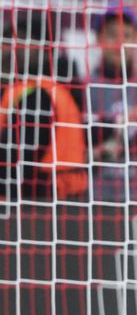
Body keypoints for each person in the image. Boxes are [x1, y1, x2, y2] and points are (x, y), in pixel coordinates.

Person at [0, 10, 87, 201]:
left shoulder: (39, 94)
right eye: (8, 41)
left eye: (21, 40)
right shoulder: (48, 88)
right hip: (59, 197)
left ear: (43, 48)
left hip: (39, 200)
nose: (12, 48)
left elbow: (19, 155)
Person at [87, 7, 137, 202]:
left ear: (136, 40)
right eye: (112, 35)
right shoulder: (84, 87)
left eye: (127, 35)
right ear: (99, 39)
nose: (120, 43)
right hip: (96, 197)